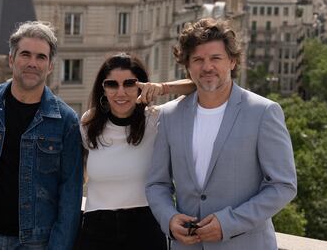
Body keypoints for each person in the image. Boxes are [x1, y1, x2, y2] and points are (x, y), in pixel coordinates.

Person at [145, 18, 297, 250]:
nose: (207, 67)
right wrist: (169, 218)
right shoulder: (169, 116)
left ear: (232, 61)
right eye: (198, 59)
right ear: (188, 66)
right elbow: (157, 184)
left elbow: (283, 185)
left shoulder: (264, 112)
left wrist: (229, 223)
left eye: (216, 58)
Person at [0, 21, 83, 250]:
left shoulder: (66, 121)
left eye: (41, 57)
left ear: (50, 66)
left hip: (37, 242)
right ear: (11, 59)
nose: (32, 63)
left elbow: (70, 192)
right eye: (25, 54)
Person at [77, 53, 196, 250]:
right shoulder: (88, 123)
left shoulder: (157, 119)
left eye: (129, 84)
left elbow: (196, 87)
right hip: (96, 229)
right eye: (112, 84)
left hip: (145, 227)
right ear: (103, 89)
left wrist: (162, 87)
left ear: (141, 85)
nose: (120, 92)